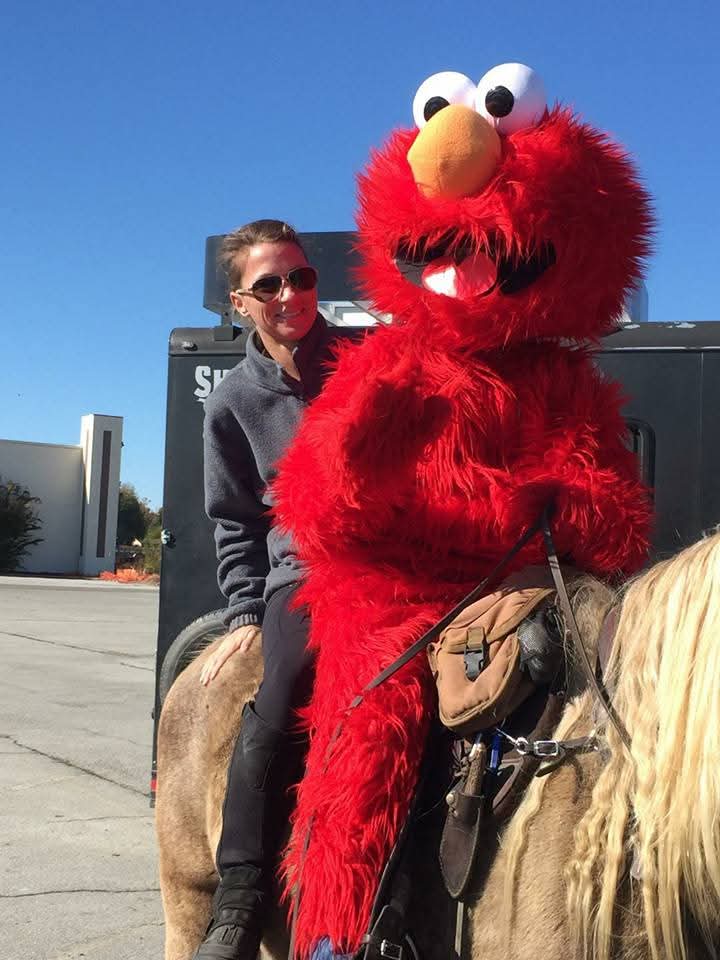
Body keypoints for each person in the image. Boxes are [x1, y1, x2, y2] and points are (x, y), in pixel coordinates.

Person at [195, 219, 339, 960]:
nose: (291, 294)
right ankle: (241, 893)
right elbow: (235, 520)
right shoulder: (231, 405)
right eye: (270, 284)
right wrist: (247, 611)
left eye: (302, 277)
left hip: (394, 561)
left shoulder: (366, 365)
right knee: (283, 687)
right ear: (239, 303)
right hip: (303, 573)